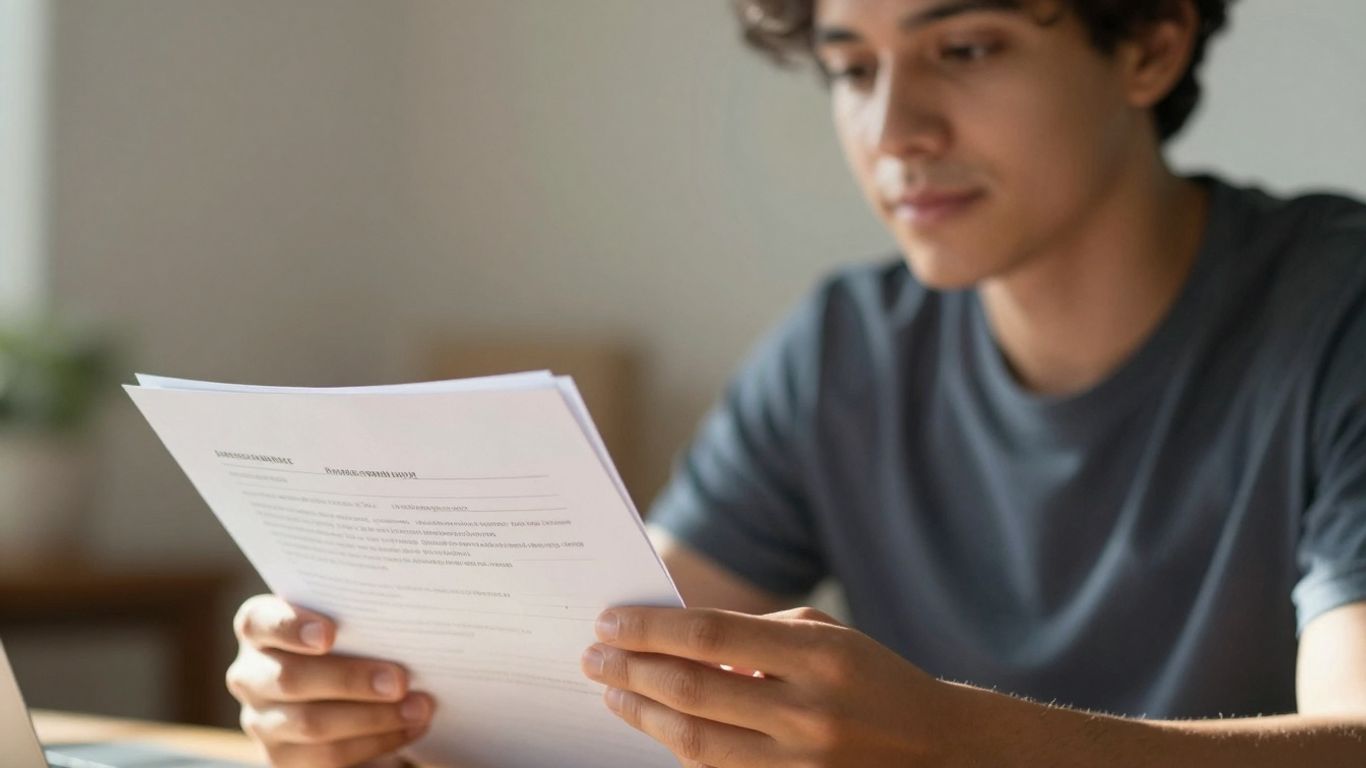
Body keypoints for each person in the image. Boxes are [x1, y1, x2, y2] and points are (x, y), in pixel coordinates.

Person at [227, 0, 1366, 765]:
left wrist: (952, 743)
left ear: (1148, 49)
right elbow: (605, 665)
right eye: (851, 69)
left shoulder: (1336, 316)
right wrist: (372, 699)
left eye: (963, 48)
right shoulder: (847, 346)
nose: (893, 130)